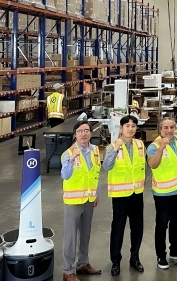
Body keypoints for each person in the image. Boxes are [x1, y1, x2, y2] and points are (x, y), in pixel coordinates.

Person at [147, 118, 177, 269]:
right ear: (160, 129)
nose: (169, 130)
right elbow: (153, 165)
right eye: (165, 128)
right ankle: (161, 255)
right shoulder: (154, 146)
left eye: (172, 127)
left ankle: (175, 250)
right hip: (163, 193)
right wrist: (161, 148)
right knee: (162, 225)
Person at [103, 115, 146, 276]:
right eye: (127, 126)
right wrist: (115, 150)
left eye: (133, 126)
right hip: (120, 195)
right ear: (121, 129)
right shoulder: (113, 146)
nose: (130, 128)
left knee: (137, 228)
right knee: (118, 228)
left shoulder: (140, 145)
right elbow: (107, 167)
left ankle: (135, 258)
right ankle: (115, 261)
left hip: (137, 193)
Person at [61, 120, 102, 281]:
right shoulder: (68, 153)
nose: (83, 134)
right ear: (75, 135)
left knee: (85, 234)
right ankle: (68, 270)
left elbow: (95, 174)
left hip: (89, 199)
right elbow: (65, 175)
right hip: (73, 201)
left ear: (91, 133)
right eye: (80, 131)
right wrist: (71, 161)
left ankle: (83, 263)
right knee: (71, 237)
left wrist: (96, 193)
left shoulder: (95, 151)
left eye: (86, 130)